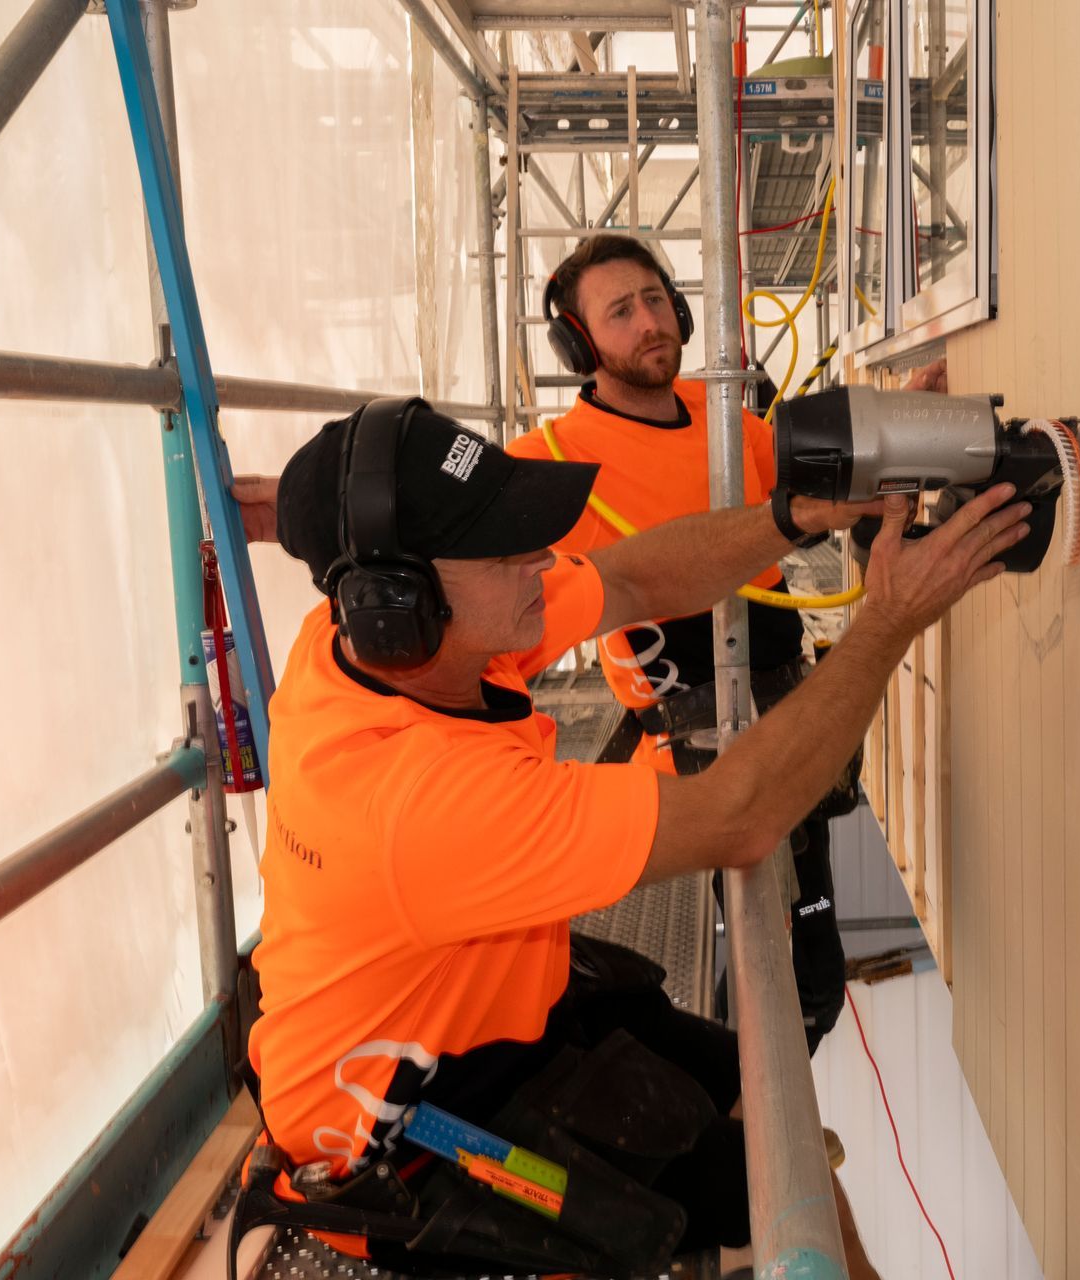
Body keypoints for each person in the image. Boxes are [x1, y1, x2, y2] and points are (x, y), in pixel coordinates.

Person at [239, 396, 1029, 1277]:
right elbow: (739, 815)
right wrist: (889, 621)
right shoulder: (420, 805)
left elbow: (632, 579)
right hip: (412, 1129)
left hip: (482, 1009)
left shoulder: (383, 648)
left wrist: (790, 519)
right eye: (506, 551)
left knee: (765, 1114)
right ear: (396, 604)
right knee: (694, 1207)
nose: (542, 559)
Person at [510, 232, 946, 1050]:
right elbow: (444, 524)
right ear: (579, 344)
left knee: (813, 973)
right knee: (757, 959)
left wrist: (916, 421)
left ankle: (766, 1129)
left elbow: (829, 475)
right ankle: (752, 1131)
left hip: (787, 721)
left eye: (654, 300)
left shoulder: (730, 428)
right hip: (696, 758)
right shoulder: (554, 463)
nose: (650, 322)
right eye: (620, 312)